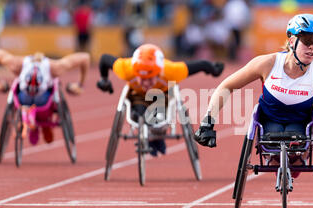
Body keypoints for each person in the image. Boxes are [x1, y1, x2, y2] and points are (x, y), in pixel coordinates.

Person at [194, 13, 313, 171]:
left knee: (294, 145)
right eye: (308, 41)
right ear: (292, 40)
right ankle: (278, 160)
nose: (312, 47)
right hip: (268, 122)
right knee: (275, 139)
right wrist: (207, 122)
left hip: (300, 126)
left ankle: (294, 163)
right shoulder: (267, 64)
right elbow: (226, 86)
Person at [96, 43, 224, 156]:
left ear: (159, 73)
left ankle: (157, 136)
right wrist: (104, 80)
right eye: (142, 78)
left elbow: (199, 65)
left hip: (162, 96)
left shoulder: (171, 71)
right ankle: (148, 132)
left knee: (158, 117)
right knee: (139, 113)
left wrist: (213, 69)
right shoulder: (126, 68)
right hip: (137, 96)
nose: (146, 83)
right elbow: (104, 59)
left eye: (150, 78)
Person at [0, 47, 90, 145]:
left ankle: (35, 123)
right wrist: (80, 85)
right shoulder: (53, 67)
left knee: (38, 98)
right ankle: (37, 122)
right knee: (42, 96)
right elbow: (85, 57)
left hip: (32, 102)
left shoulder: (19, 64)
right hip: (35, 102)